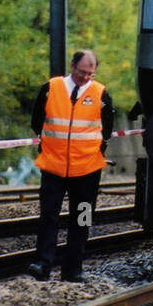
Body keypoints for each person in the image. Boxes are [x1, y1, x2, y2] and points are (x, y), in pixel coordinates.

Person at [27, 49, 114, 281]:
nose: (85, 77)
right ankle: (42, 264)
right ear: (72, 66)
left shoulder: (101, 94)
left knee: (82, 218)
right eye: (81, 71)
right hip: (53, 166)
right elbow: (36, 121)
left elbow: (106, 131)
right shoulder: (51, 88)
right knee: (49, 215)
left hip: (87, 170)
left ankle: (73, 269)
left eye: (90, 73)